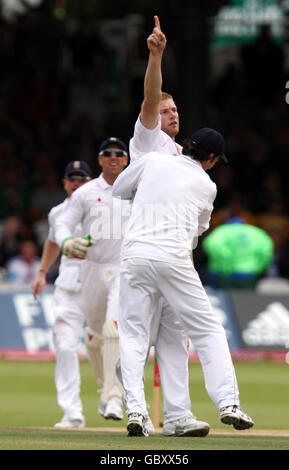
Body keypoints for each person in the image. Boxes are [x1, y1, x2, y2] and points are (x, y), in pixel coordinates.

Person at [113, 127, 254, 437]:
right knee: (207, 330)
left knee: (134, 335)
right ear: (213, 158)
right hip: (174, 259)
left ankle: (136, 410)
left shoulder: (152, 160)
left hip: (135, 255)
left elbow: (119, 190)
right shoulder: (208, 185)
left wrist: (149, 194)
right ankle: (228, 403)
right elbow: (197, 231)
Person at [126, 15, 208, 437]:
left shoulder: (181, 155)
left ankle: (177, 417)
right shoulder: (146, 140)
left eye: (175, 109)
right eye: (165, 109)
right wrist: (155, 56)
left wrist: (189, 260)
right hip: (142, 250)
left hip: (175, 255)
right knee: (137, 336)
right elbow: (148, 98)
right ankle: (137, 412)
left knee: (176, 340)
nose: (171, 113)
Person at [54, 137, 132, 423]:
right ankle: (105, 385)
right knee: (95, 335)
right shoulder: (86, 192)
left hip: (123, 269)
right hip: (92, 270)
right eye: (107, 154)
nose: (114, 157)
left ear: (126, 159)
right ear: (100, 159)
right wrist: (67, 242)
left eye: (119, 153)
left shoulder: (136, 189)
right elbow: (62, 222)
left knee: (113, 329)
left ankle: (113, 397)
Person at [31, 160, 92, 428]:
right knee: (66, 347)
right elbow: (53, 241)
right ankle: (72, 413)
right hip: (68, 289)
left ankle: (128, 407)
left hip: (103, 286)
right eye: (72, 179)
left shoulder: (105, 209)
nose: (77, 183)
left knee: (111, 347)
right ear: (65, 182)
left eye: (82, 179)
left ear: (90, 182)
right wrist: (43, 272)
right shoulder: (57, 213)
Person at [202, 218, 274, 289]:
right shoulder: (257, 232)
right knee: (247, 299)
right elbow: (266, 251)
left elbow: (212, 245)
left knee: (226, 299)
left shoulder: (222, 230)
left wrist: (224, 267)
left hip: (226, 275)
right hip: (250, 274)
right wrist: (259, 268)